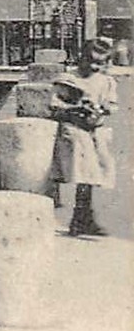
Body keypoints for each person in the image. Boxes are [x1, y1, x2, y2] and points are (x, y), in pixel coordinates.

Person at [51, 36, 118, 237]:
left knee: (91, 176)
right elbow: (54, 105)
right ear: (81, 57)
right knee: (84, 174)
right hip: (75, 132)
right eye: (91, 61)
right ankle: (79, 218)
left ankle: (83, 216)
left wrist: (104, 109)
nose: (95, 67)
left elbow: (112, 105)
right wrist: (74, 108)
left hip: (95, 132)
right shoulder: (70, 79)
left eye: (101, 63)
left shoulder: (106, 81)